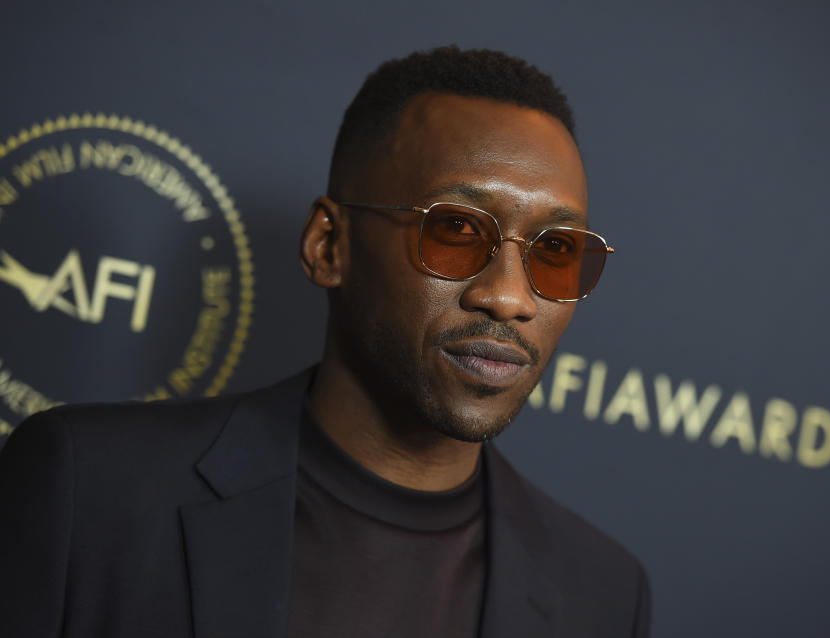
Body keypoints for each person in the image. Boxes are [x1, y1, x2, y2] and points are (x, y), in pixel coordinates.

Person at [0, 46, 651, 637]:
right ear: (329, 246)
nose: (510, 297)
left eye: (558, 249)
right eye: (455, 229)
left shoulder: (605, 598)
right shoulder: (88, 491)